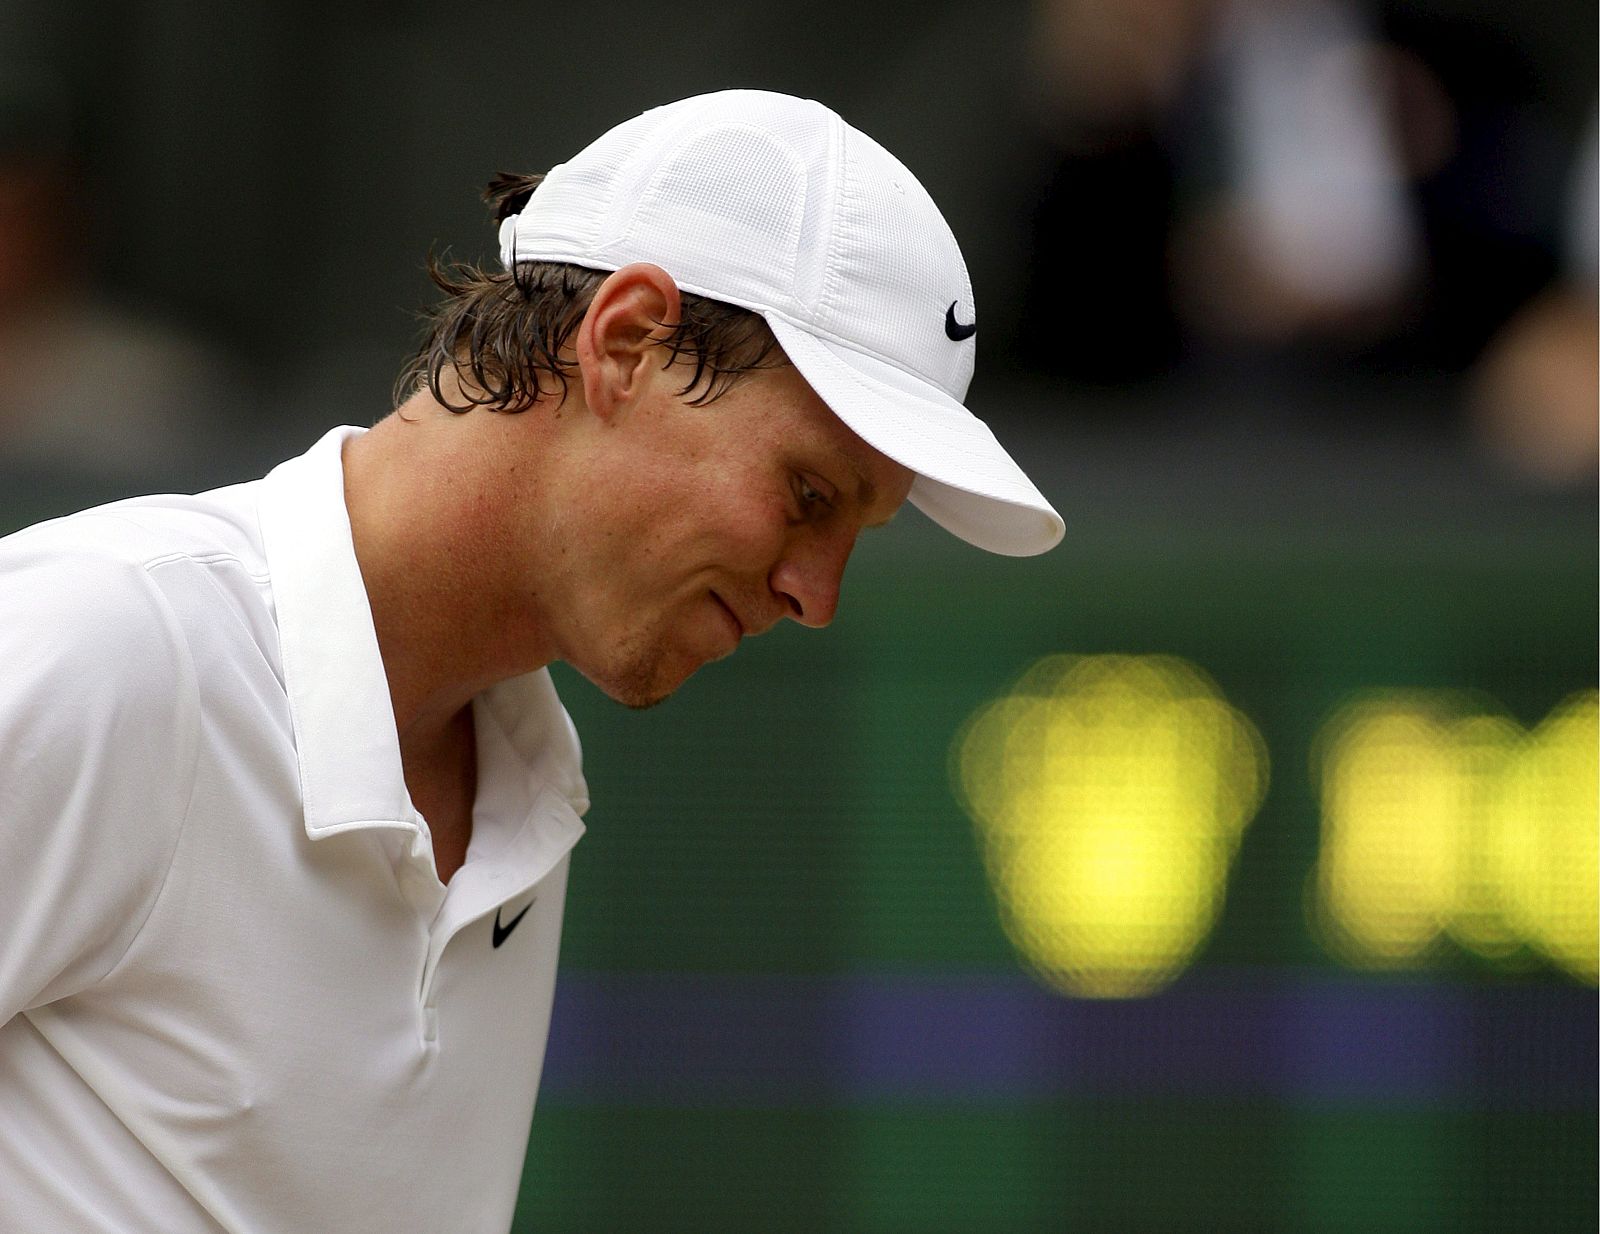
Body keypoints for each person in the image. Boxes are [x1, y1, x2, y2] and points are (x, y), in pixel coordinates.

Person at [0, 90, 1062, 1232]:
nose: (818, 595)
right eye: (807, 494)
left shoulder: (525, 803)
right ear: (627, 342)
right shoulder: (106, 643)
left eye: (857, 531)